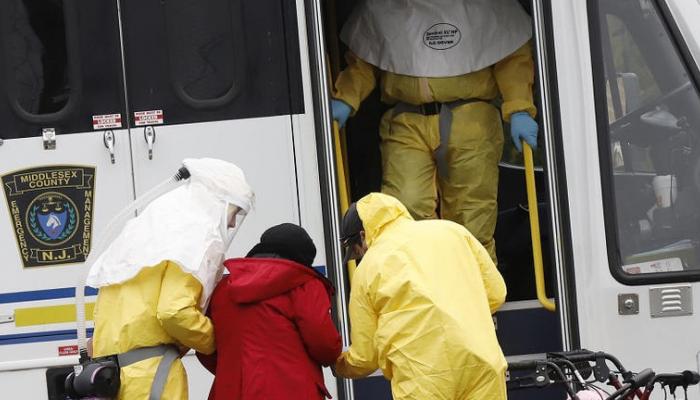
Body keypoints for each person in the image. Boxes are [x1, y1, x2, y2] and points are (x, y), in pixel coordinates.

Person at [331, 0, 538, 262]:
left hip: (471, 119)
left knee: (472, 216)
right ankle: (422, 281)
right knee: (405, 210)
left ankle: (474, 285)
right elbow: (366, 57)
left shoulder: (488, 5)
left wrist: (519, 107)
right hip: (407, 119)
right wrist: (346, 96)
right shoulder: (385, 6)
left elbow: (511, 57)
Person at [87, 158, 255, 400]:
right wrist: (218, 340)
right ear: (216, 204)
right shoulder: (192, 243)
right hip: (154, 376)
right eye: (233, 212)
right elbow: (174, 312)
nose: (231, 223)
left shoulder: (144, 241)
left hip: (116, 378)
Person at [335, 193, 508, 400]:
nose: (361, 255)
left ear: (363, 235)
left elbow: (366, 357)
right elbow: (497, 294)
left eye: (358, 251)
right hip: (482, 365)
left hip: (422, 378)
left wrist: (338, 365)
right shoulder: (453, 231)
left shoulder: (367, 269)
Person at [197, 223, 341, 400]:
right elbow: (324, 344)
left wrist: (235, 372)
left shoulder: (222, 290)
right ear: (301, 262)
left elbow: (205, 346)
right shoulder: (304, 285)